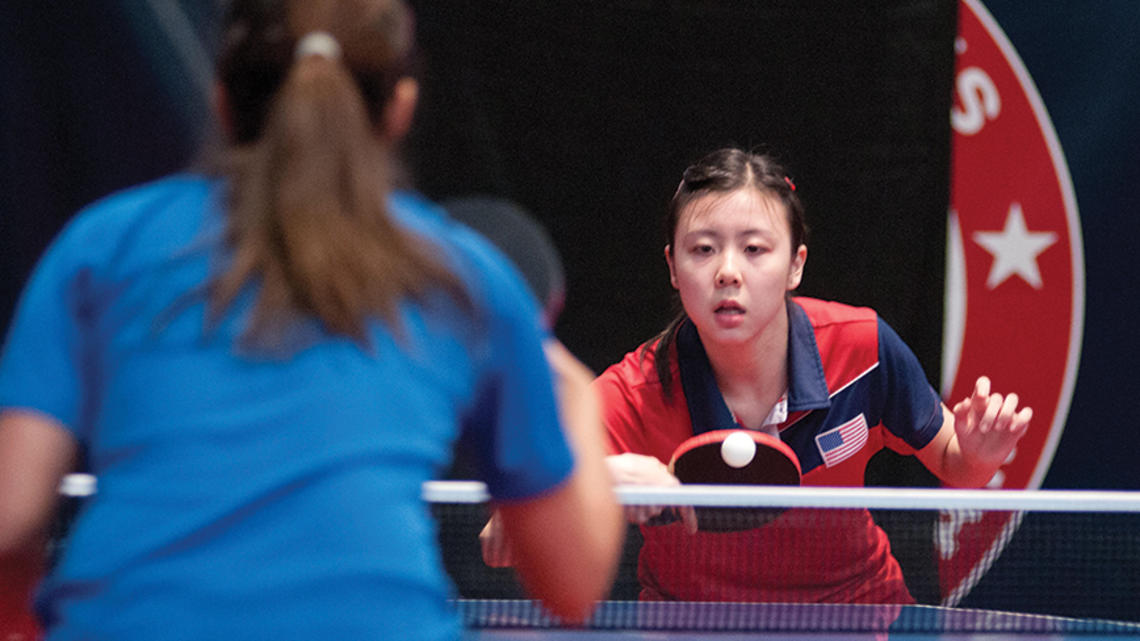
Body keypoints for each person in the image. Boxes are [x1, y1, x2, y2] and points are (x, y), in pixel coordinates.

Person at [0, 1, 622, 639]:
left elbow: (10, 518)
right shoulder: (463, 277)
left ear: (222, 101)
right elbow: (571, 585)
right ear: (400, 109)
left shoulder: (99, 249)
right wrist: (575, 393)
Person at [594, 147, 1032, 604]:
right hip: (693, 623)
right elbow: (519, 516)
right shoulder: (635, 393)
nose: (727, 272)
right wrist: (598, 477)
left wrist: (980, 454)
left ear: (795, 264)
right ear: (672, 267)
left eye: (754, 249)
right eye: (703, 249)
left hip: (856, 616)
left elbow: (954, 463)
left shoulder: (863, 349)